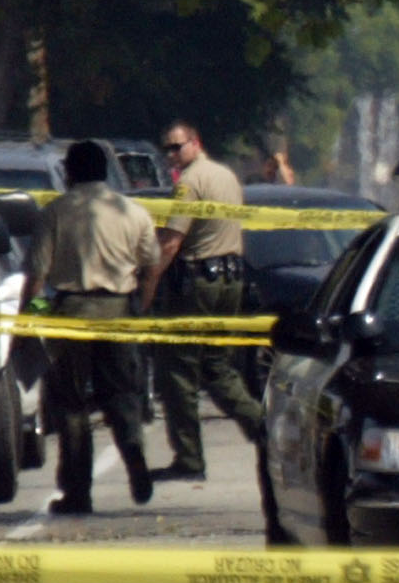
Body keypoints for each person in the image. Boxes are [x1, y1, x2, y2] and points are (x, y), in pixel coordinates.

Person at [24, 139, 156, 515]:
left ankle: (78, 492)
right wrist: (139, 308)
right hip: (118, 311)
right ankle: (133, 449)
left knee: (71, 405)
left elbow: (37, 277)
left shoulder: (56, 212)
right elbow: (151, 266)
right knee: (123, 393)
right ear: (104, 171)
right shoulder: (133, 212)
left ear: (70, 173)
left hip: (71, 313)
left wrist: (31, 315)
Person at [146, 120, 267, 482]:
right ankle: (265, 429)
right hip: (230, 278)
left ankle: (189, 458)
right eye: (166, 149)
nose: (171, 155)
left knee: (177, 369)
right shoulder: (227, 175)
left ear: (195, 143)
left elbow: (171, 242)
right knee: (217, 366)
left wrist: (148, 284)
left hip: (199, 283)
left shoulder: (191, 182)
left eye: (177, 147)